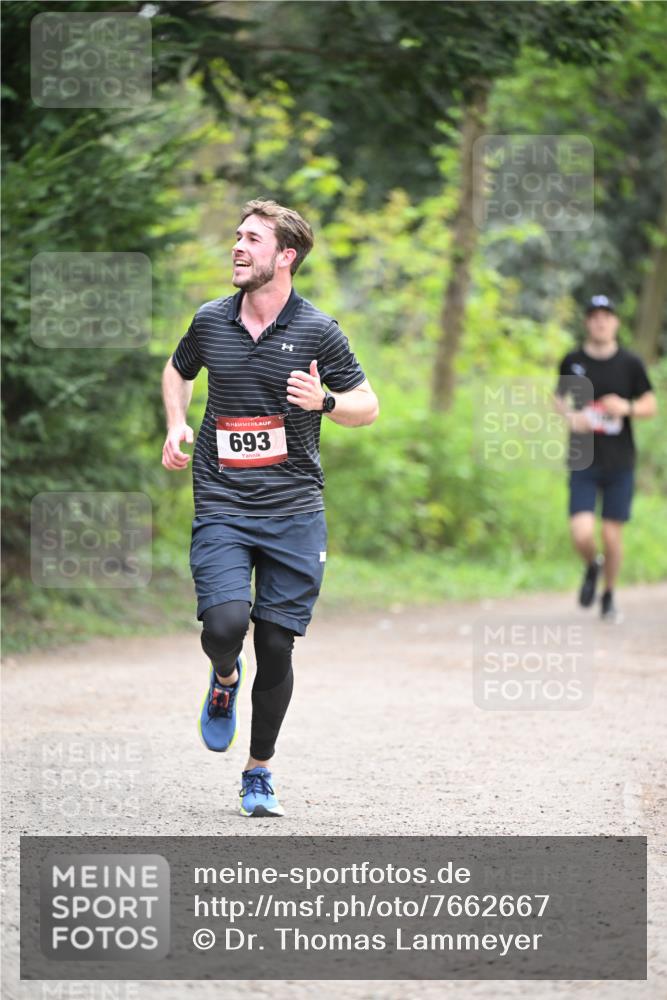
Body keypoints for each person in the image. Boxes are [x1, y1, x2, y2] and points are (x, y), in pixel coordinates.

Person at [161, 199, 379, 816]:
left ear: (285, 256)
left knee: (277, 646)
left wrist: (326, 402)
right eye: (236, 236)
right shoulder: (210, 321)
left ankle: (258, 771)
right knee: (225, 627)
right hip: (224, 502)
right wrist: (176, 424)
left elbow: (368, 404)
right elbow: (178, 371)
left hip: (294, 510)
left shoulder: (318, 331)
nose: (237, 246)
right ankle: (224, 678)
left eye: (251, 239)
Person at [554, 295, 657, 621]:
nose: (600, 321)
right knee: (581, 532)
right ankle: (591, 564)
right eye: (594, 315)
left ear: (616, 322)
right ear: (587, 321)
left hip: (619, 462)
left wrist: (625, 408)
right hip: (583, 458)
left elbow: (650, 405)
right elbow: (558, 399)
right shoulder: (572, 361)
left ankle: (609, 594)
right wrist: (572, 417)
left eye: (606, 316)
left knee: (612, 535)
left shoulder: (630, 363)